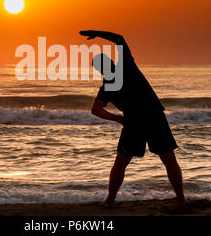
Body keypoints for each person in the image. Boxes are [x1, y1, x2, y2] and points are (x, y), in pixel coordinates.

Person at [79, 30, 186, 207]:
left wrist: (119, 119)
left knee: (121, 164)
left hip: (134, 123)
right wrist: (96, 33)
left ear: (99, 70)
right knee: (169, 160)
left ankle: (110, 201)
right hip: (154, 117)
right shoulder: (126, 67)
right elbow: (119, 38)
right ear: (112, 63)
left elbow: (96, 110)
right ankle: (181, 199)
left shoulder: (107, 86)